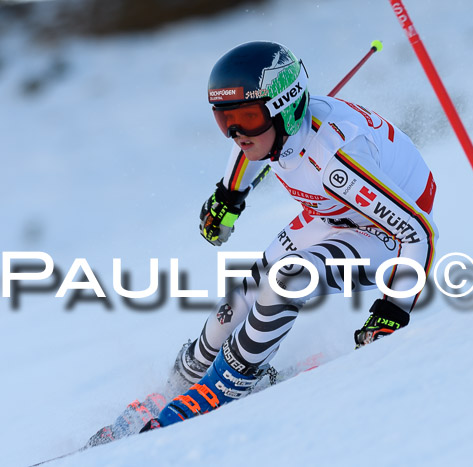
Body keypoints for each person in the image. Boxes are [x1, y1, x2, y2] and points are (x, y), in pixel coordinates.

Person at [137, 40, 439, 430]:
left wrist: (392, 311)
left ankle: (230, 379)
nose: (236, 134)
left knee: (289, 278)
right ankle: (184, 377)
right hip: (332, 213)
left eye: (247, 117)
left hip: (383, 232)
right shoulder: (269, 135)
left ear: (286, 109)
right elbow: (245, 149)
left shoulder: (335, 161)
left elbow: (417, 231)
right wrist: (228, 196)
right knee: (245, 293)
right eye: (224, 119)